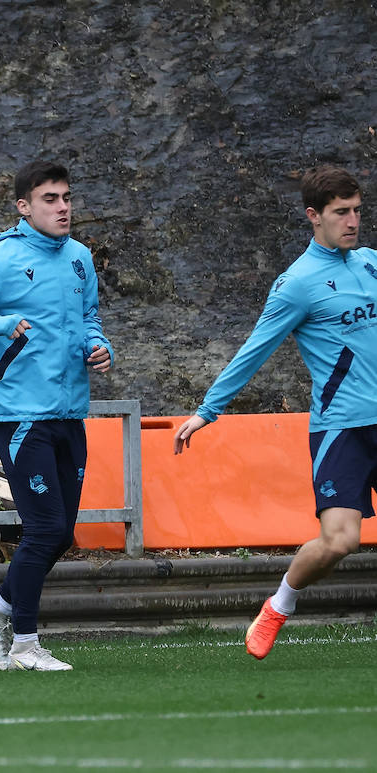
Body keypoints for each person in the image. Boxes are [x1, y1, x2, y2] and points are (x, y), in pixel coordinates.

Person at [174, 165, 375, 660]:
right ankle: (278, 606)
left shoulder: (372, 262)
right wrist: (208, 411)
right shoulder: (298, 284)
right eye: (340, 213)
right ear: (314, 216)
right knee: (339, 541)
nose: (352, 221)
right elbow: (253, 350)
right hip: (342, 429)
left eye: (357, 211)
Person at [0, 160, 113, 672]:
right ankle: (25, 645)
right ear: (23, 207)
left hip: (69, 413)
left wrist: (99, 346)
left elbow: (90, 319)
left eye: (67, 197)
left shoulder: (79, 258)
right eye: (50, 199)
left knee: (62, 533)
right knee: (44, 530)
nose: (63, 208)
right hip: (19, 414)